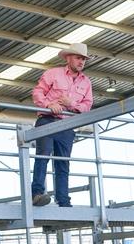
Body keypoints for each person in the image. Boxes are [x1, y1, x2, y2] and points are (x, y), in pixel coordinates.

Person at [31, 43, 93, 207]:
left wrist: (71, 104)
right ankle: (37, 194)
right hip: (47, 120)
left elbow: (87, 106)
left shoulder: (86, 82)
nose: (81, 62)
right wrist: (48, 104)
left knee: (63, 163)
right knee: (43, 156)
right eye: (78, 58)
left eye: (83, 59)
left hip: (67, 125)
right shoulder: (53, 73)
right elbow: (37, 92)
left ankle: (63, 199)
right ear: (68, 58)